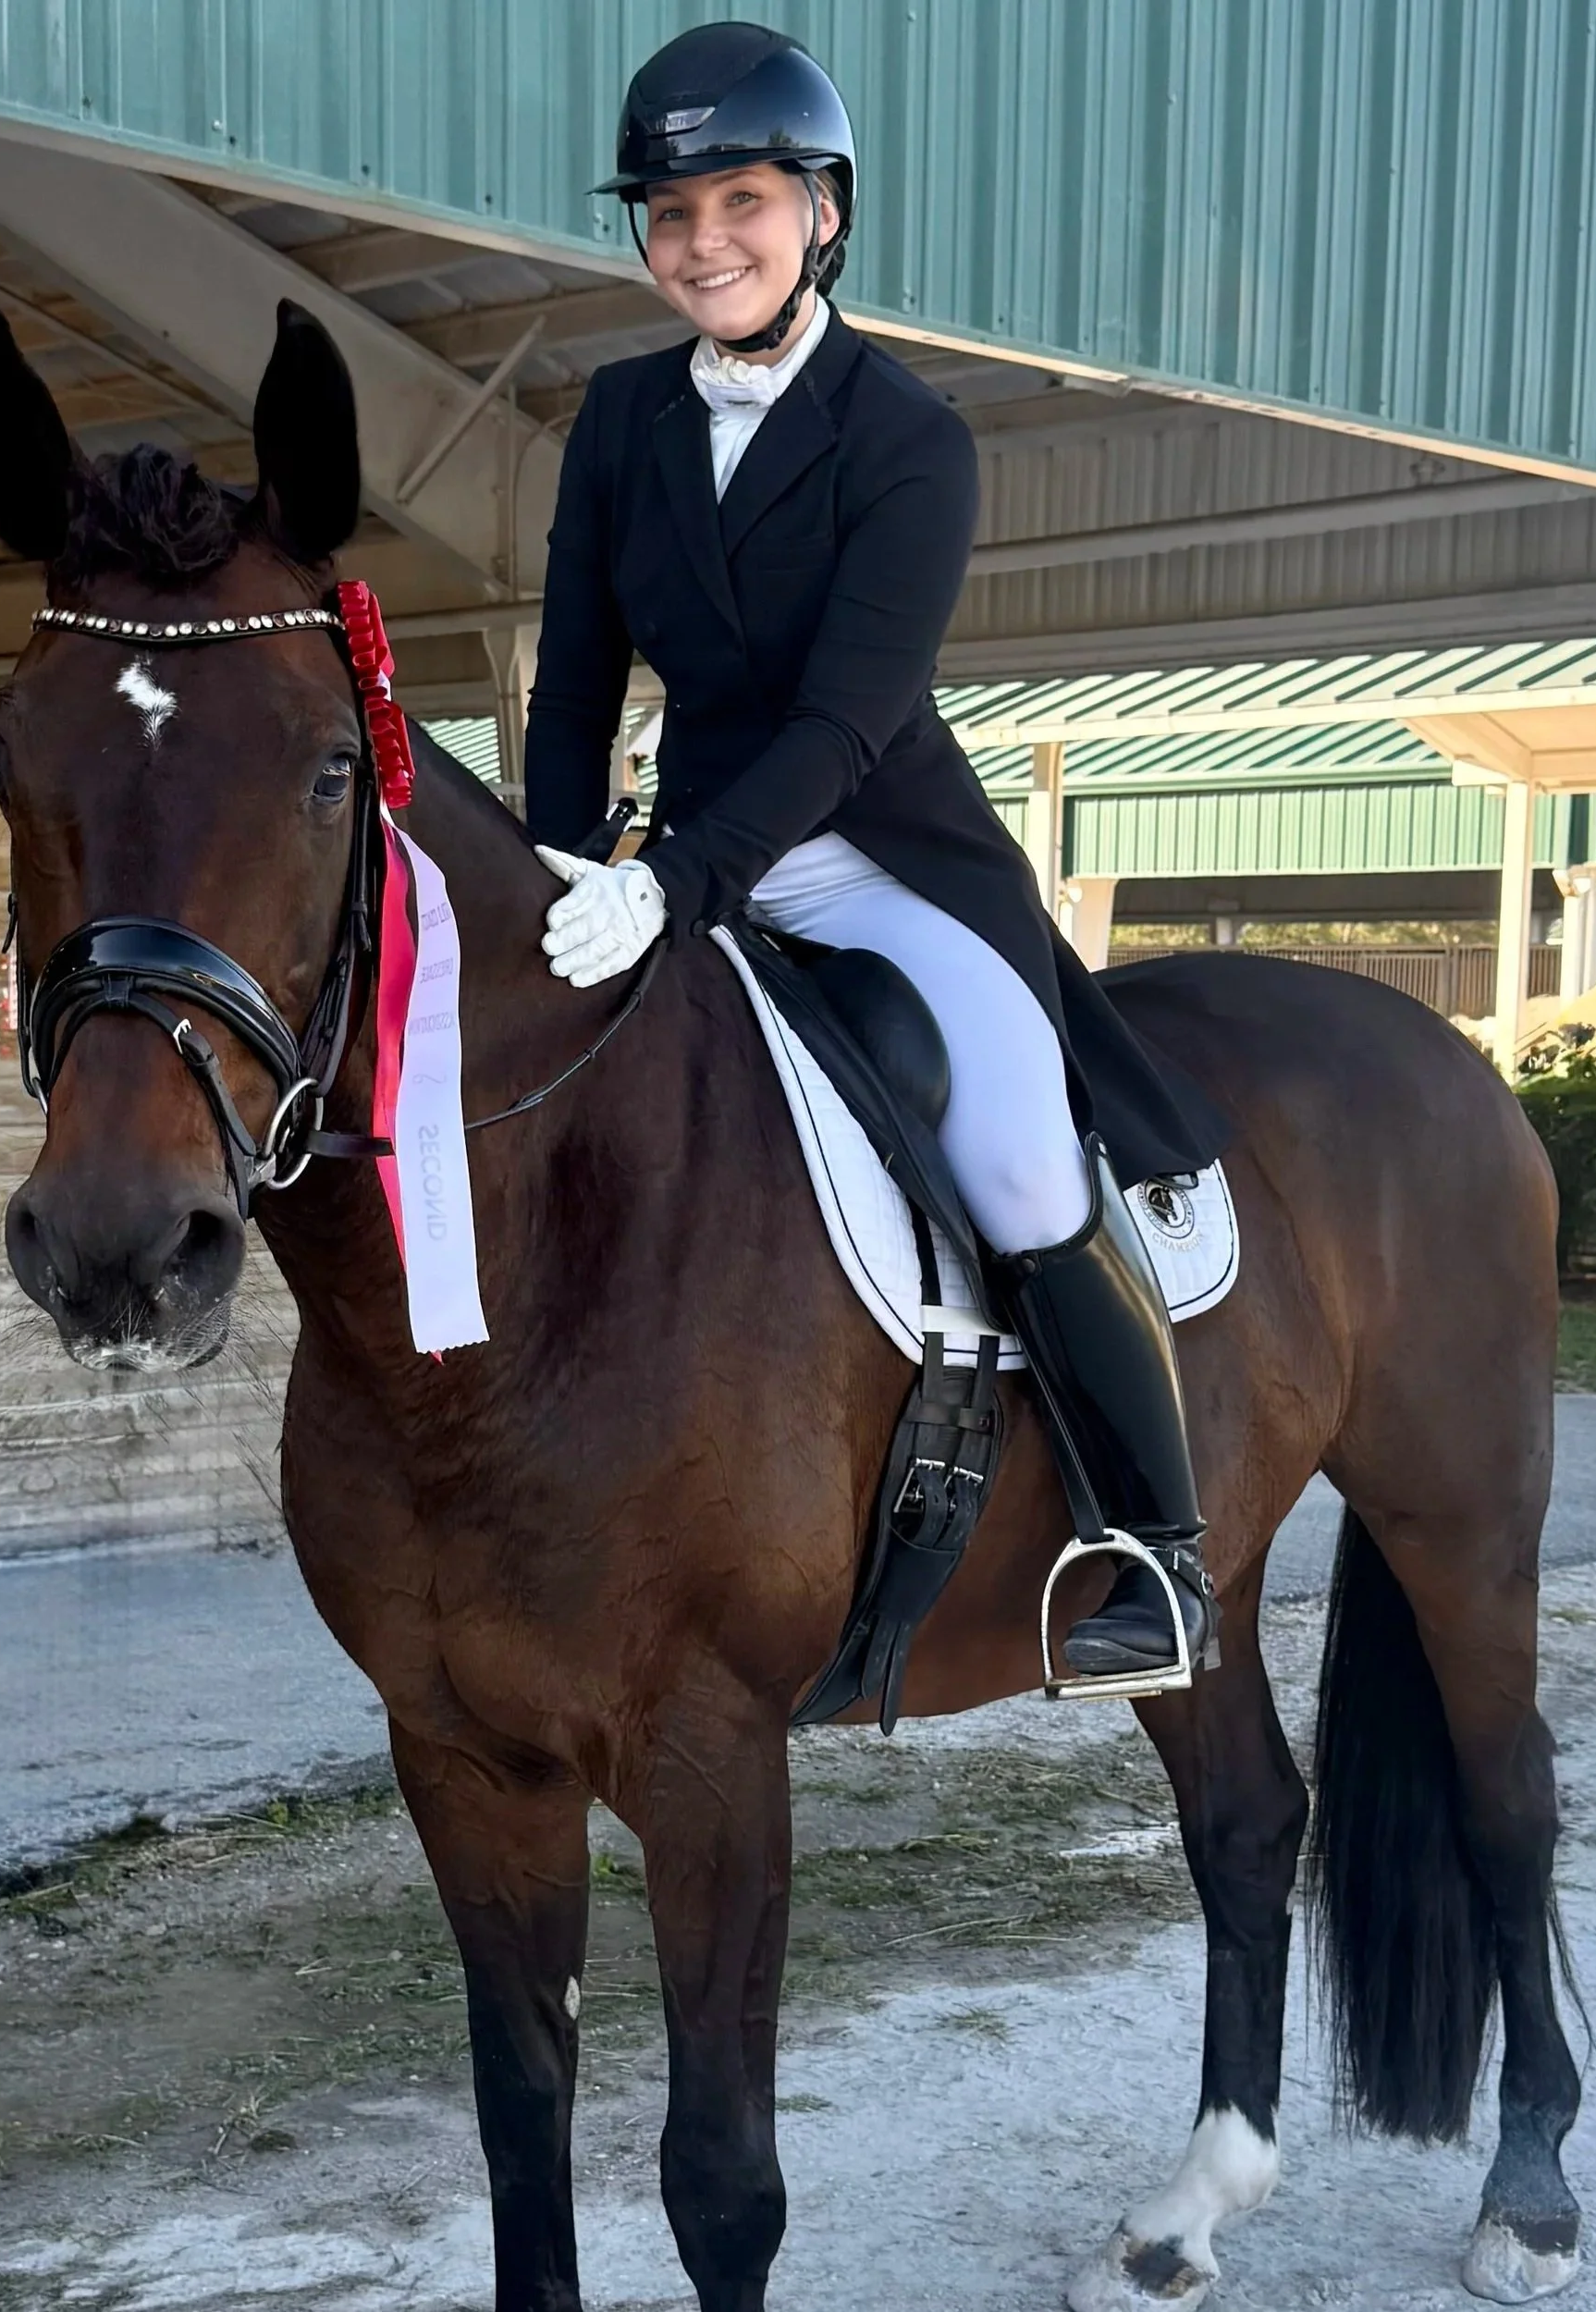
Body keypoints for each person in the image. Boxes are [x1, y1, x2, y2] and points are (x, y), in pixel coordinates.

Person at [521, 21, 1227, 1683]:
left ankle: (1156, 1548)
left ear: (823, 210)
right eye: (671, 211)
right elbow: (573, 681)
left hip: (882, 857)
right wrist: (554, 874)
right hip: (675, 863)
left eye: (742, 202)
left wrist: (666, 885)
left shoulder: (911, 437)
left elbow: (847, 726)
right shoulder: (619, 419)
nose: (703, 242)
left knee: (1021, 1159)